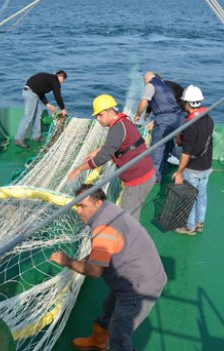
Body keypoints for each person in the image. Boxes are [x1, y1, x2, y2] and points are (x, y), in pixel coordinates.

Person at [50, 184, 167, 351]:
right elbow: (108, 247)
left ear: (97, 203)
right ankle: (99, 341)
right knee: (108, 308)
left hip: (140, 286)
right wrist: (88, 258)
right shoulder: (109, 209)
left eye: (82, 206)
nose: (78, 211)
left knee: (119, 333)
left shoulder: (103, 229)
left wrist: (67, 260)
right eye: (77, 205)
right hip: (134, 276)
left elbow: (94, 271)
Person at [67, 94, 156, 219]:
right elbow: (117, 142)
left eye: (100, 115)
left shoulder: (117, 128)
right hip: (146, 173)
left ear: (110, 111)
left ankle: (129, 238)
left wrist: (79, 169)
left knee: (127, 219)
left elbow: (102, 158)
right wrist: (100, 148)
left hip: (138, 180)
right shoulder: (123, 120)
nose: (98, 118)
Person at [172, 85, 214, 236]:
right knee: (202, 195)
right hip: (207, 167)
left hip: (193, 169)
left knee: (189, 197)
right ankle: (199, 223)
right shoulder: (208, 118)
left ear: (187, 103)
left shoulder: (190, 125)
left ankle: (189, 227)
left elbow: (186, 153)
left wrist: (179, 172)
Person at [133, 71, 184, 181]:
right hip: (176, 117)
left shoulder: (150, 84)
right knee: (166, 144)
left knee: (157, 148)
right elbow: (159, 100)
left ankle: (154, 177)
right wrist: (147, 113)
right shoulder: (164, 85)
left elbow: (144, 101)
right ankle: (164, 167)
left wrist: (138, 114)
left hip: (166, 118)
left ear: (146, 80)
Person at [15, 70, 68, 148]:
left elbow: (40, 91)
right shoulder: (55, 81)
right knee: (28, 117)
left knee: (37, 115)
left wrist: (47, 104)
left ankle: (37, 136)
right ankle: (18, 139)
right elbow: (57, 96)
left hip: (31, 92)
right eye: (63, 80)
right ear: (60, 76)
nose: (62, 83)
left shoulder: (49, 78)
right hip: (31, 94)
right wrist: (63, 109)